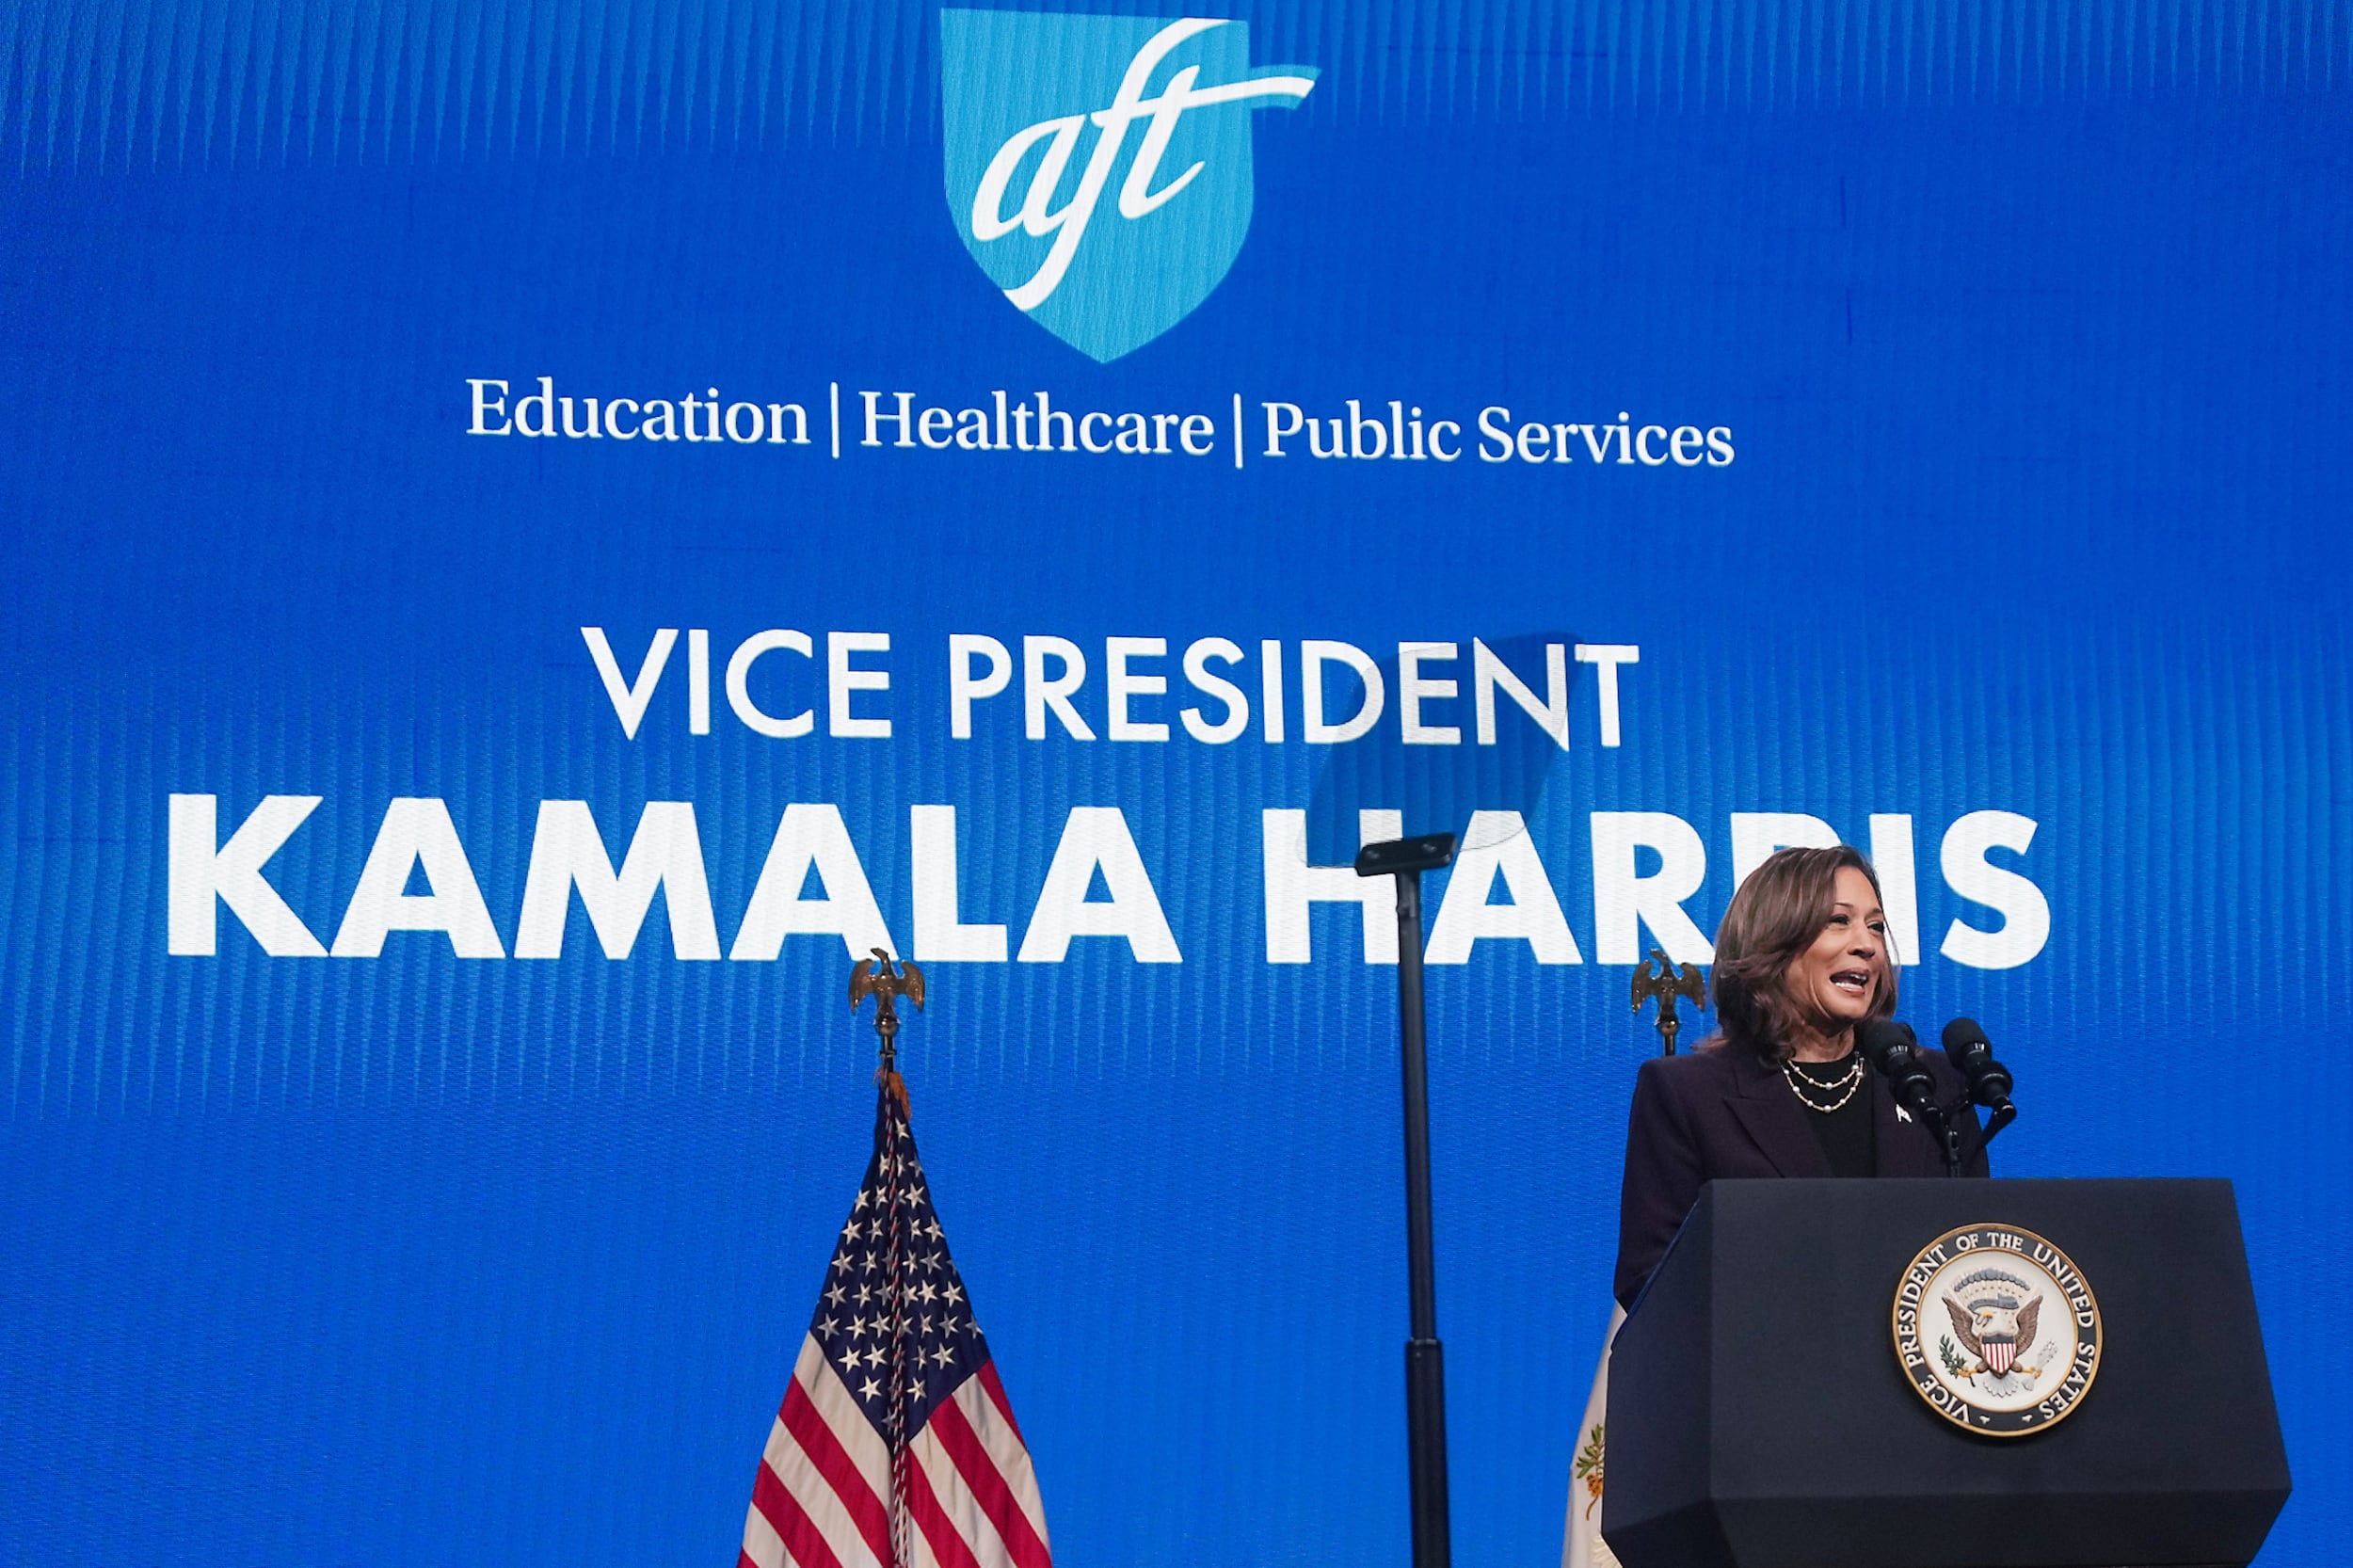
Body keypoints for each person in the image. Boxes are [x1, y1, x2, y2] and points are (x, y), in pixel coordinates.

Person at [1612, 844, 1988, 1310]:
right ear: (1774, 939)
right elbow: (1648, 1280)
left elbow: (1975, 1260)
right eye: (1838, 921)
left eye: (1875, 926)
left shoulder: (1929, 1085)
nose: (1867, 945)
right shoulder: (1688, 1093)